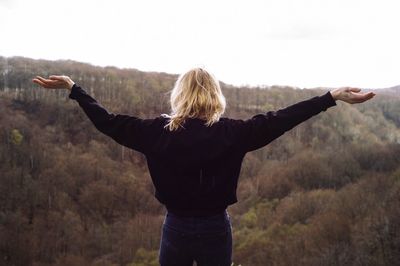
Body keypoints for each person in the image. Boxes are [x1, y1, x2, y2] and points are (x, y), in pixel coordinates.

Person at [32, 68, 375, 266]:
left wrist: (76, 90)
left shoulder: (155, 132)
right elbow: (282, 119)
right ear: (216, 95)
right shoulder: (234, 133)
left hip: (176, 229)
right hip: (215, 230)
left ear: (178, 95)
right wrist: (330, 97)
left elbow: (107, 122)